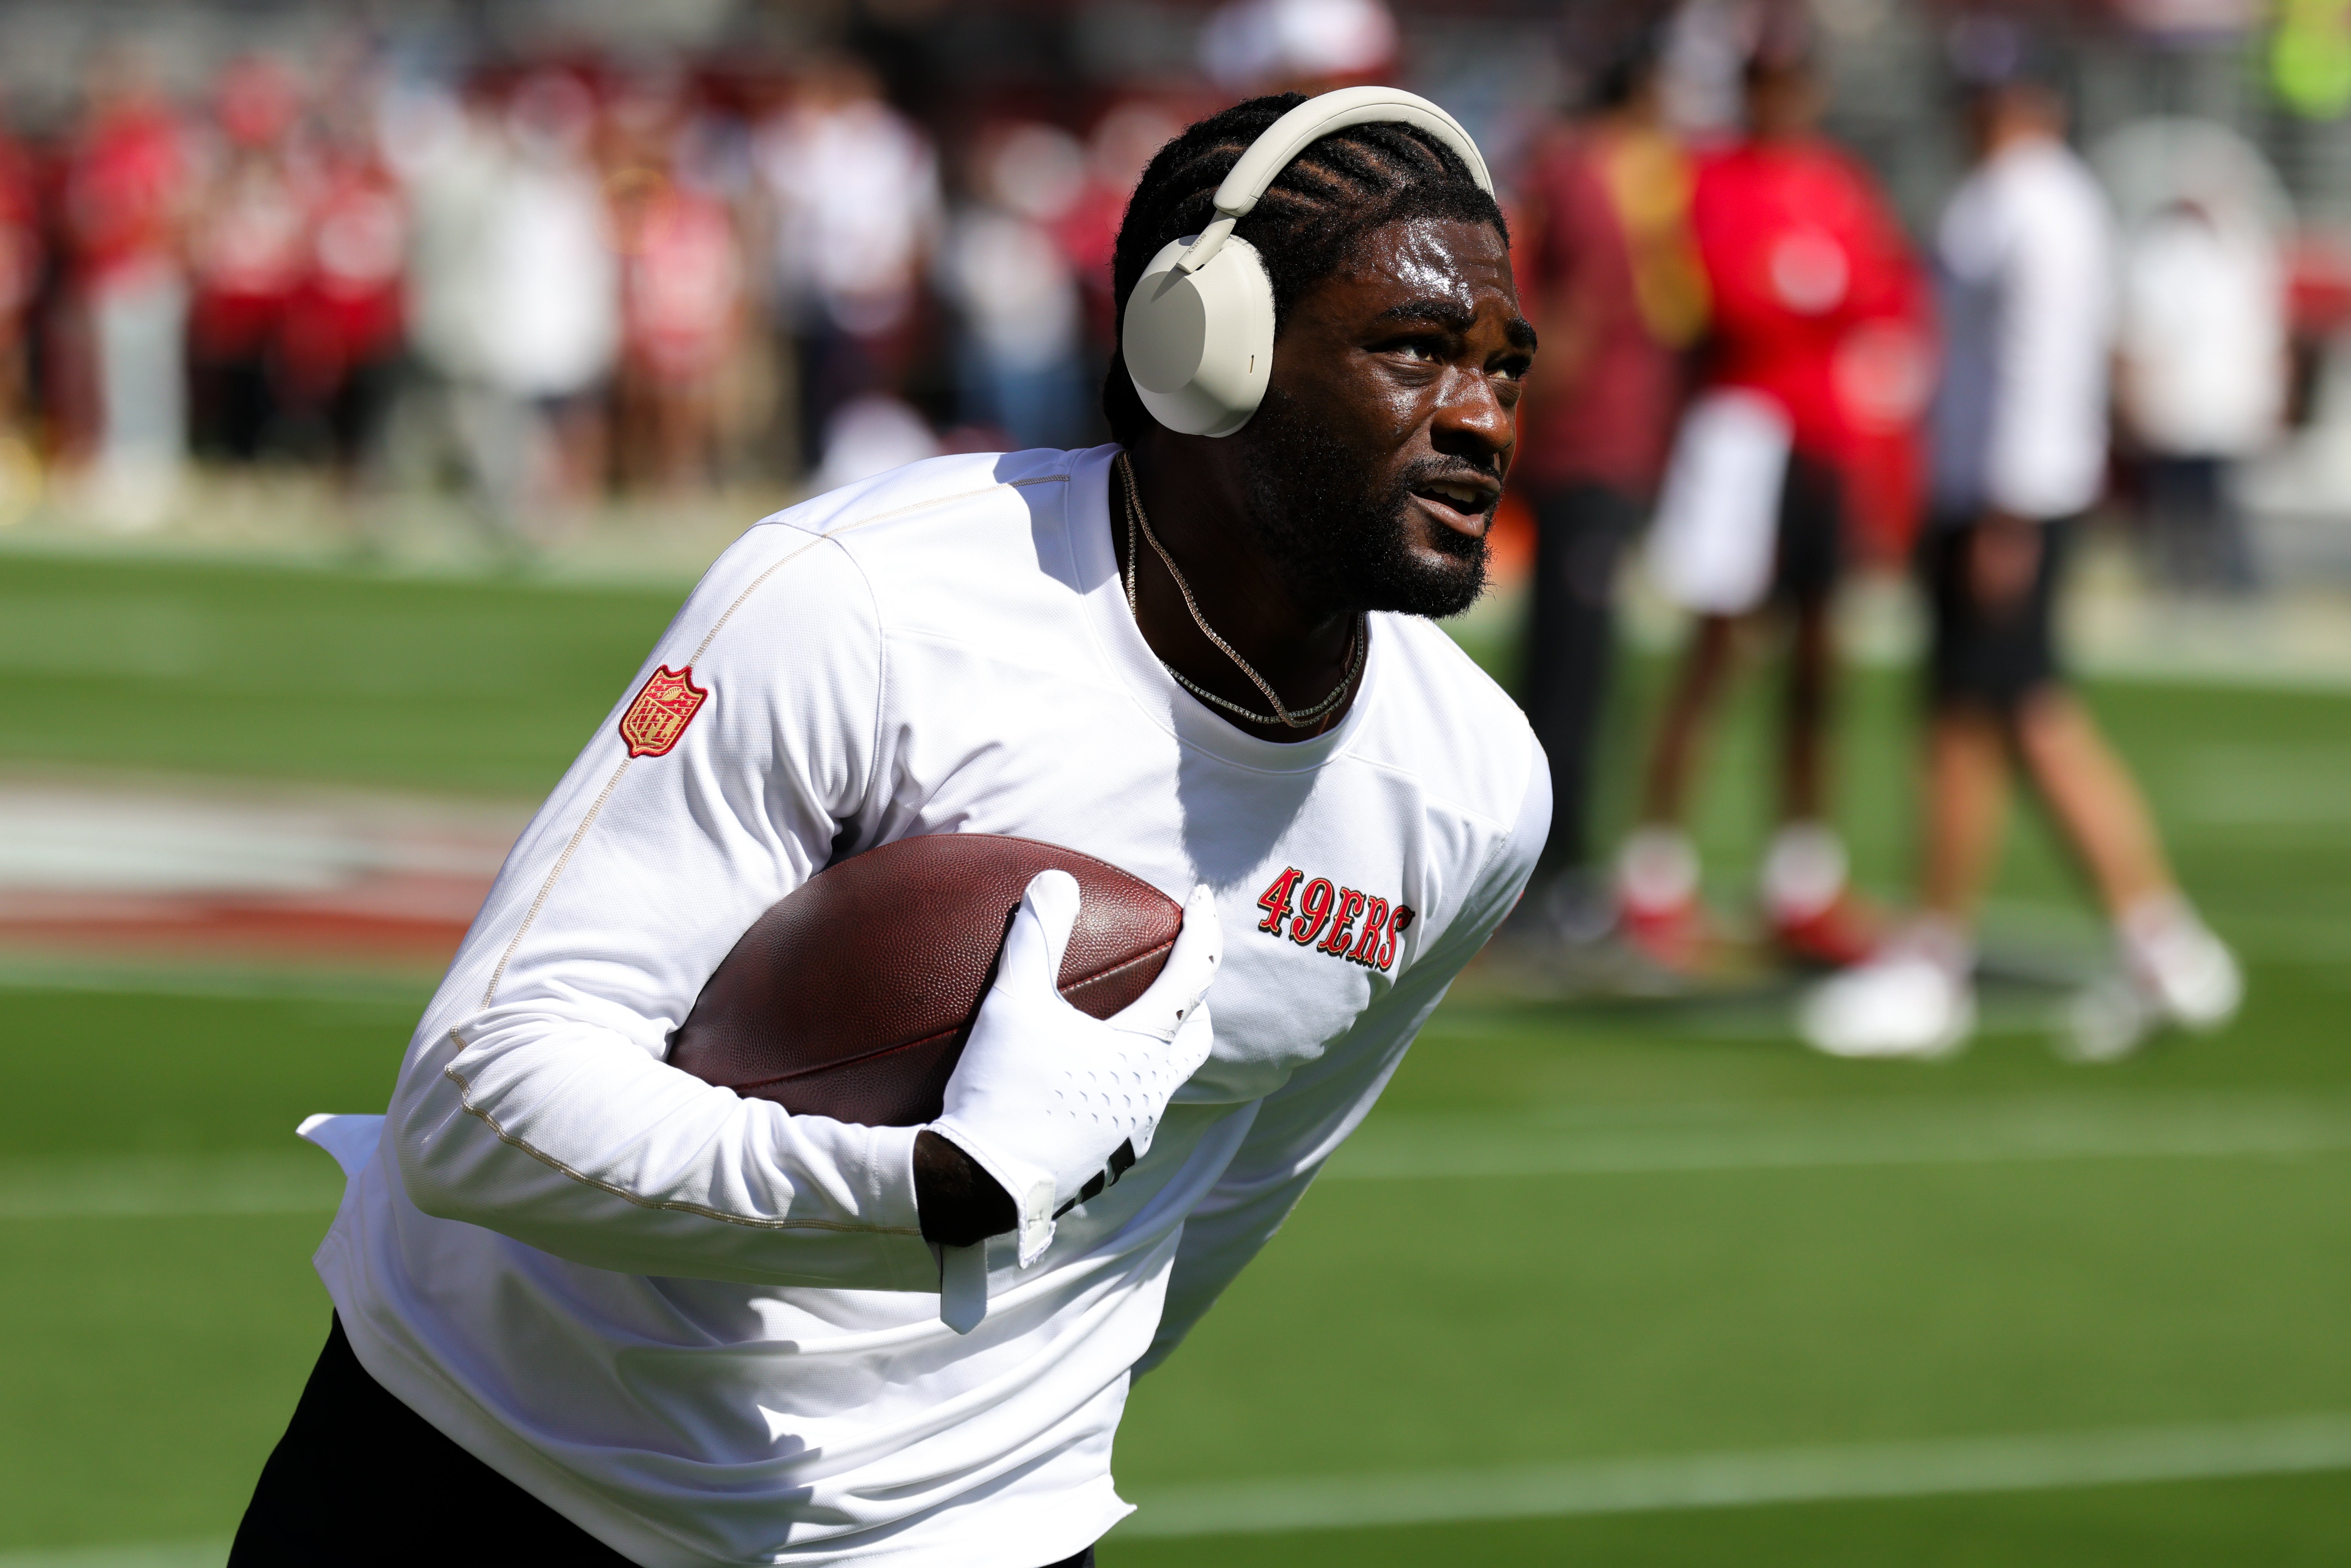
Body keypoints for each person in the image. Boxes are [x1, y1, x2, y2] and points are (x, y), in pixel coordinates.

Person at [230, 90, 1546, 1565]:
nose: (1482, 416)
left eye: (1504, 364)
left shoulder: (1475, 785)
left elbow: (1238, 1183)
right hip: (495, 1453)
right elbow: (475, 1106)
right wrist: (926, 1194)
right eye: (1416, 350)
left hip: (965, 1532)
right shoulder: (866, 600)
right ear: (1206, 345)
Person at [1800, 64, 2241, 1062]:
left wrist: (2005, 513)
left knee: (1961, 724)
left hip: (2004, 499)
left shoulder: (2035, 203)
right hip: (1997, 493)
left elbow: (2040, 362)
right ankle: (2162, 940)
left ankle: (1935, 960)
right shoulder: (2024, 196)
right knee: (2032, 718)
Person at [1615, 36, 1925, 971]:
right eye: (1767, 81)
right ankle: (1654, 871)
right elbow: (1730, 299)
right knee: (1715, 655)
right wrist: (1808, 294)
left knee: (1819, 664)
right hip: (1744, 440)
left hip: (1824, 441)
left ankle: (1803, 875)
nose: (1782, 97)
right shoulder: (1708, 177)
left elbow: (1884, 295)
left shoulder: (1837, 182)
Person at [1507, 30, 1707, 944]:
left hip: (1600, 445)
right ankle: (1554, 874)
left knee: (1570, 664)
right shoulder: (1608, 172)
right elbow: (1586, 310)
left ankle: (1555, 869)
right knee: (1572, 671)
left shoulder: (1621, 170)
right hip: (1595, 444)